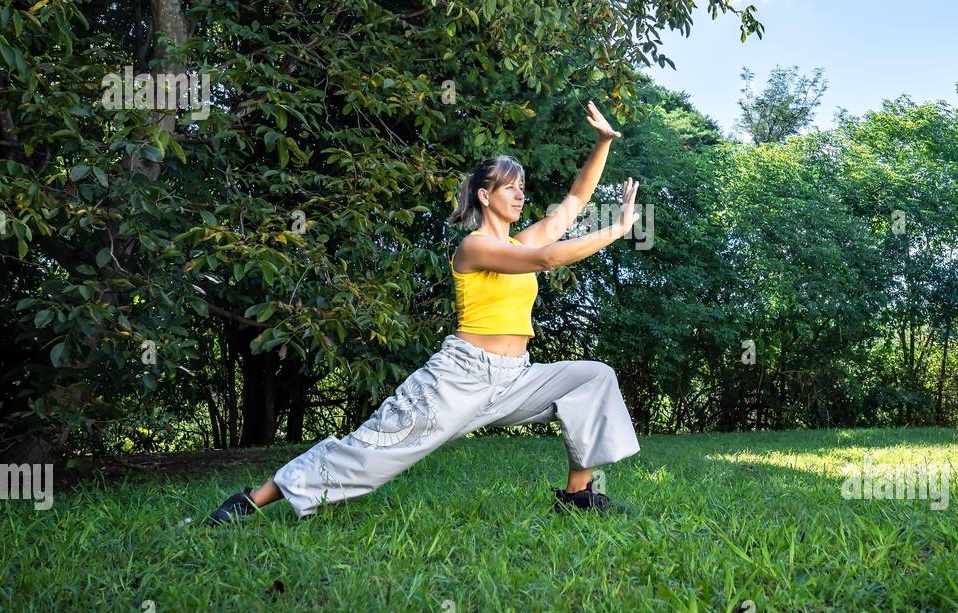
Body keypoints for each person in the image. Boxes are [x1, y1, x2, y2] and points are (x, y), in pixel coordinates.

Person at [207, 100, 643, 524]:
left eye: (522, 186)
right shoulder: (473, 247)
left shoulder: (520, 242)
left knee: (593, 379)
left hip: (515, 377)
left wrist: (603, 142)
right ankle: (251, 500)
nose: (520, 193)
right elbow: (548, 259)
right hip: (459, 379)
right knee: (370, 452)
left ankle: (577, 496)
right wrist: (619, 229)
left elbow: (573, 200)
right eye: (510, 186)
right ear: (485, 195)